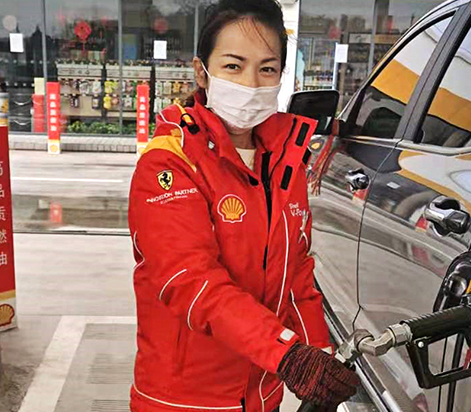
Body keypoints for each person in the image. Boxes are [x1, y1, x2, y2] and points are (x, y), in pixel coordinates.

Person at [128, 1, 361, 411]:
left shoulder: (284, 159)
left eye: (267, 69)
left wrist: (317, 356)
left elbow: (297, 277)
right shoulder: (169, 162)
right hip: (184, 400)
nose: (252, 83)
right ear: (203, 72)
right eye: (233, 66)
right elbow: (191, 281)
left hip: (260, 395)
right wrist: (287, 355)